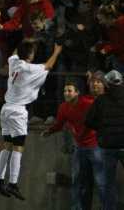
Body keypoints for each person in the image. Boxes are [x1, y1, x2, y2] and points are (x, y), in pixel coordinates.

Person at [0, 40, 62, 200]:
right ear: (30, 55)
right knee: (18, 148)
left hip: (6, 109)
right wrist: (56, 52)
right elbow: (48, 66)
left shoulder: (14, 62)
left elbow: (12, 54)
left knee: (7, 145)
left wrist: (25, 41)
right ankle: (12, 183)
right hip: (18, 111)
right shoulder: (30, 68)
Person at [41, 81, 105, 210]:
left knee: (101, 182)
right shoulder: (63, 107)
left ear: (77, 92)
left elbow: (100, 116)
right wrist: (50, 131)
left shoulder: (87, 103)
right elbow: (59, 124)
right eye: (65, 91)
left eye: (69, 90)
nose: (66, 93)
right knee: (79, 181)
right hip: (80, 147)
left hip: (95, 146)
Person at [86, 70, 124, 210]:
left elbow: (88, 121)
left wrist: (102, 129)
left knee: (108, 183)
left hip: (108, 146)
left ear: (106, 83)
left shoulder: (101, 100)